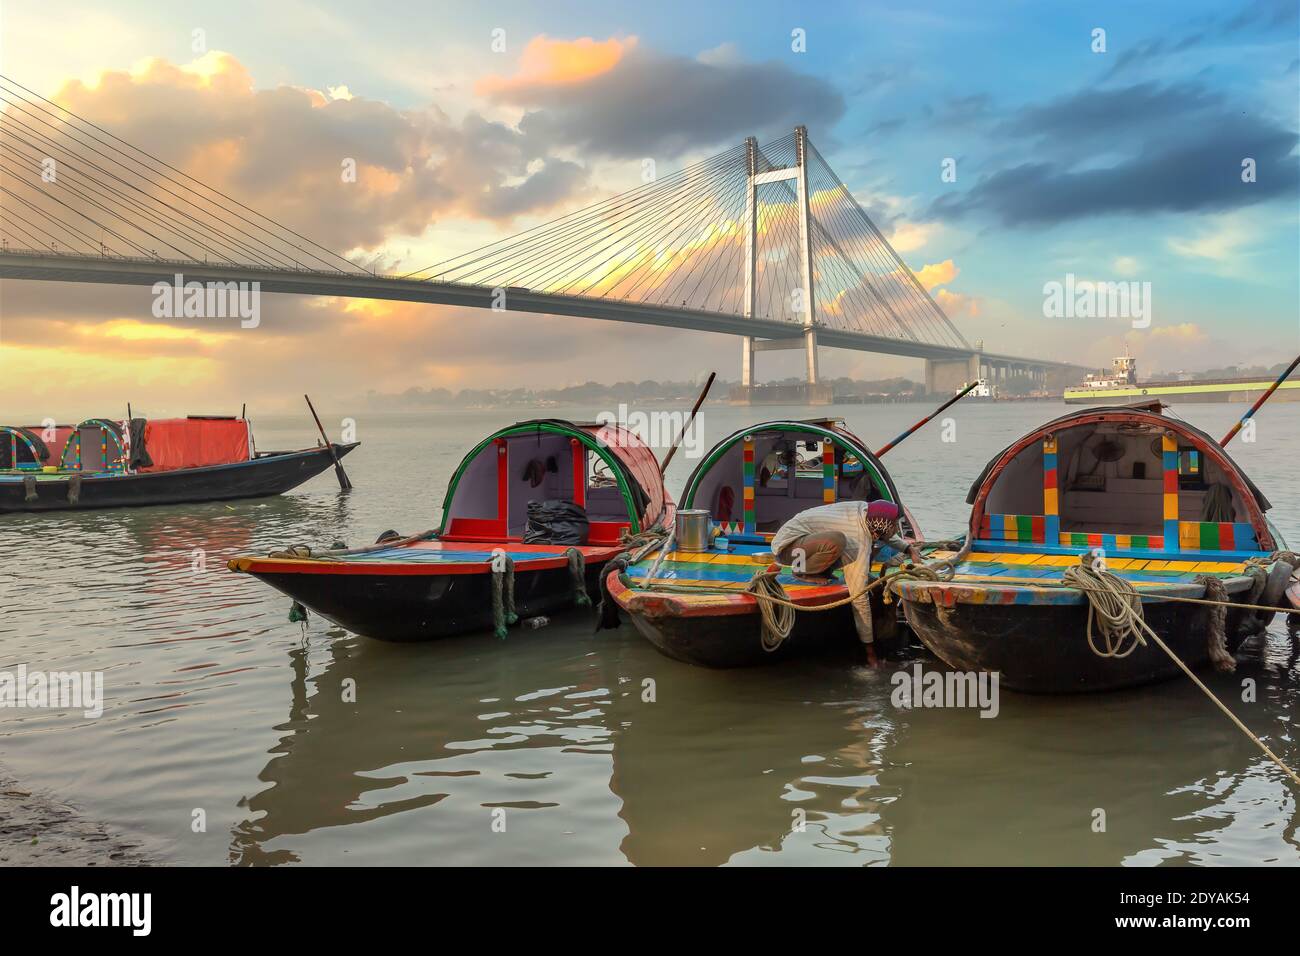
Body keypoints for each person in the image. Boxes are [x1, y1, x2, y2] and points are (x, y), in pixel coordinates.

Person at [770, 500, 920, 664]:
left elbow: (887, 535)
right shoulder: (858, 540)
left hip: (806, 543)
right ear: (878, 528)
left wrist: (908, 549)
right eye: (892, 525)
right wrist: (869, 651)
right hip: (789, 549)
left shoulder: (865, 511)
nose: (895, 529)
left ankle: (816, 568)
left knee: (841, 544)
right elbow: (859, 597)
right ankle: (802, 572)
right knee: (837, 540)